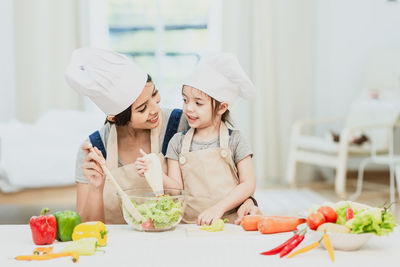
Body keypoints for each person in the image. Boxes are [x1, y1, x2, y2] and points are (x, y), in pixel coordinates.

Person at [65, 48, 260, 224]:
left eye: (155, 94)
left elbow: (224, 176)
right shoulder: (94, 150)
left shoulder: (183, 123)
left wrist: (248, 201)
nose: (155, 108)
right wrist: (95, 188)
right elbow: (86, 226)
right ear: (114, 117)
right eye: (142, 108)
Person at [136, 53, 261, 225]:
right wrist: (154, 171)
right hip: (190, 225)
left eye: (198, 103)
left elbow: (247, 185)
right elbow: (176, 189)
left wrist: (219, 208)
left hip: (231, 223)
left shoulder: (235, 140)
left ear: (222, 107)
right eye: (185, 100)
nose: (188, 108)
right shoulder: (177, 142)